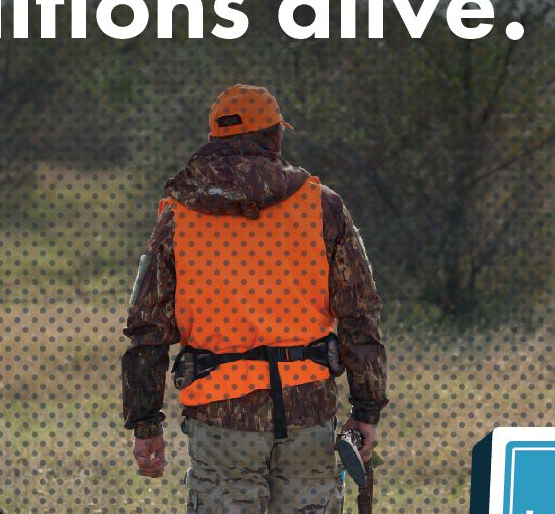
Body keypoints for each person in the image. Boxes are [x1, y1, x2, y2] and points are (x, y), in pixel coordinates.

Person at [121, 84, 388, 513]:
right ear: (276, 137)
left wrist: (146, 424)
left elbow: (146, 329)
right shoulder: (324, 208)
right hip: (309, 414)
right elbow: (361, 315)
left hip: (220, 416)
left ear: (213, 143)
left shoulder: (178, 215)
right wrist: (367, 410)